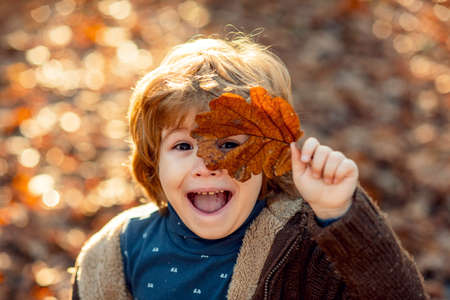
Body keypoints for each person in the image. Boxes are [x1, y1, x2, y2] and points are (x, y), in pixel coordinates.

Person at [71, 35, 428, 300]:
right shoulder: (119, 251)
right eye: (183, 145)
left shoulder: (300, 246)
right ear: (153, 163)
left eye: (228, 145)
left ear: (265, 161)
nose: (207, 164)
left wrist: (339, 213)